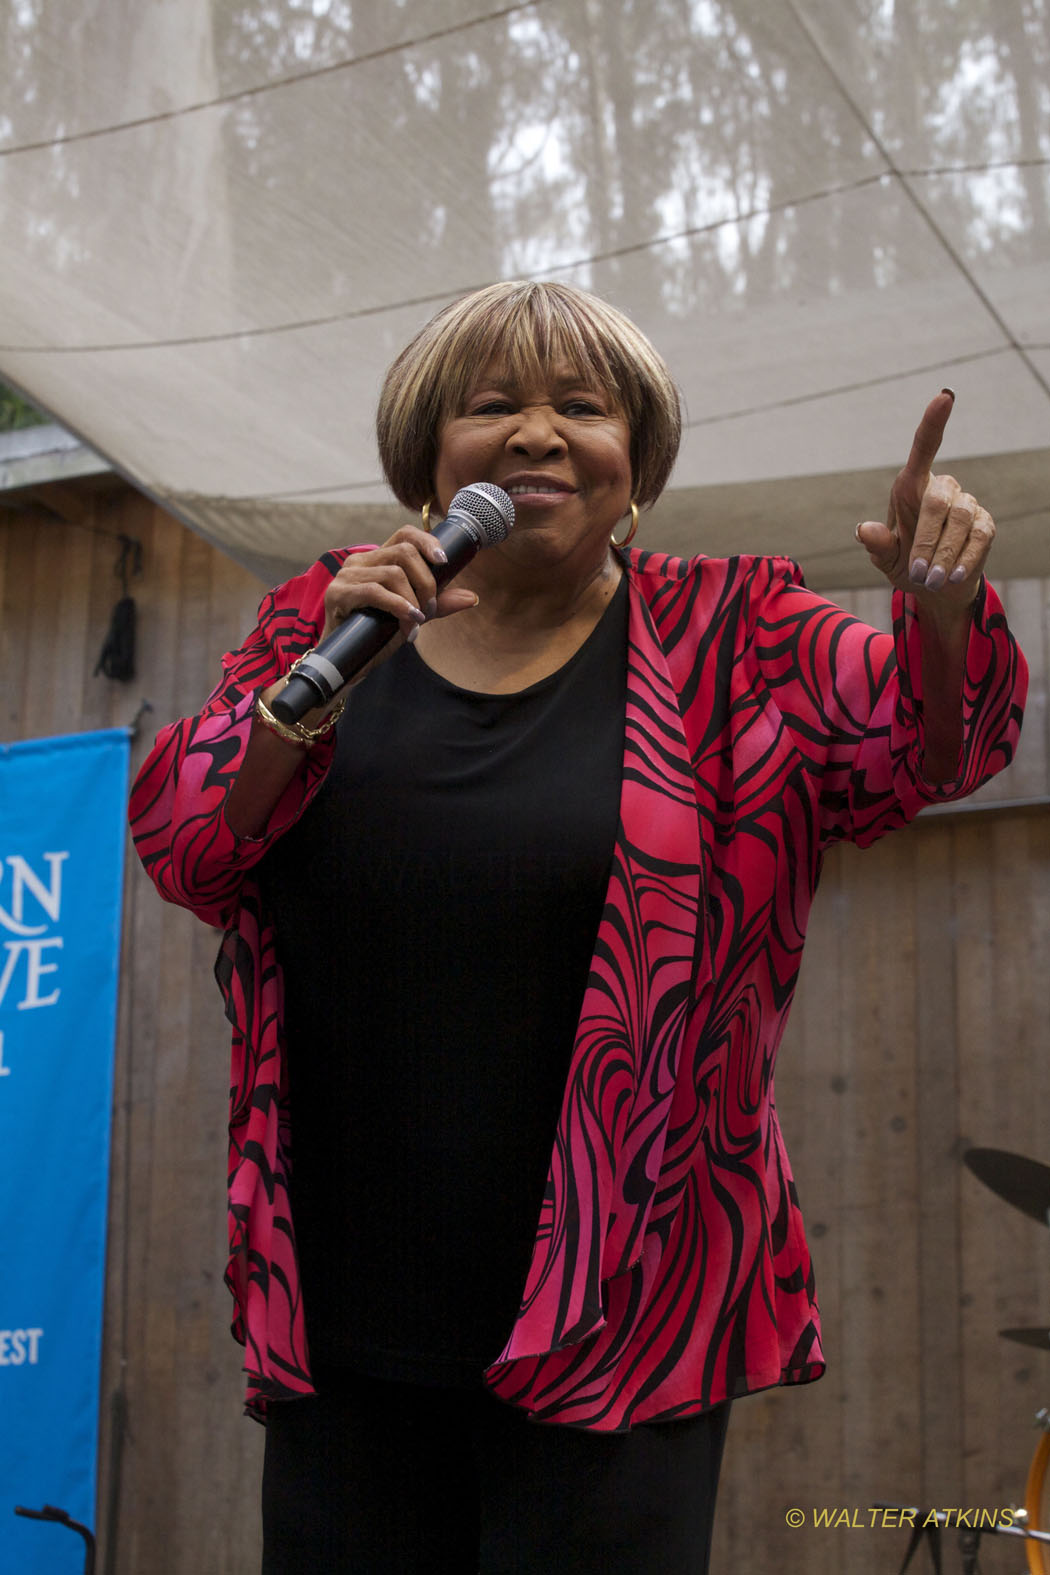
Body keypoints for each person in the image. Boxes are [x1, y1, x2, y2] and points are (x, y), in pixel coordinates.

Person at [129, 280, 1027, 1574]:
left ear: (635, 466)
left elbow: (919, 751)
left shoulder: (736, 631)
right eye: (492, 406)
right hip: (344, 1320)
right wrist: (307, 685)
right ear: (431, 462)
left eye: (580, 409)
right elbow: (184, 840)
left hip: (628, 1309)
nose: (536, 433)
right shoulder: (326, 620)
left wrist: (936, 612)